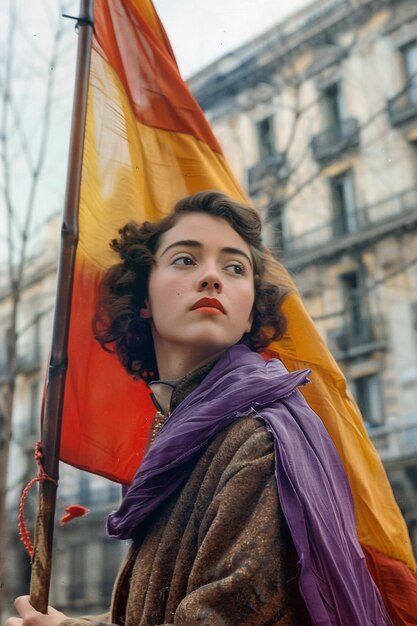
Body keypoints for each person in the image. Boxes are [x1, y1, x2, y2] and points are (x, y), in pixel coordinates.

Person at [6, 191, 392, 626]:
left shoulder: (259, 440)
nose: (212, 277)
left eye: (234, 268)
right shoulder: (178, 432)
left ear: (249, 314)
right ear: (145, 299)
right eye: (186, 260)